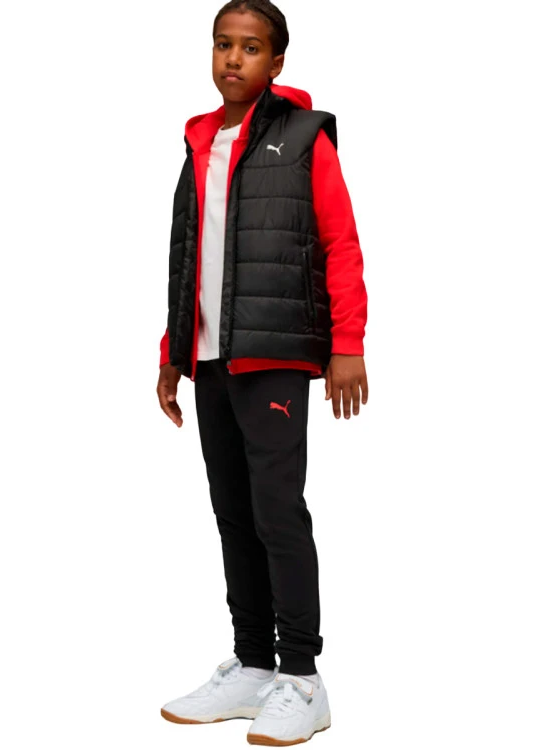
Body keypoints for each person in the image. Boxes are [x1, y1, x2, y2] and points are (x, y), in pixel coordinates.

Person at [155, 1, 368, 745]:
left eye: (250, 48)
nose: (233, 58)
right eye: (223, 44)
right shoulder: (199, 141)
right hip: (210, 355)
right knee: (232, 510)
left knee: (277, 510)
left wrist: (347, 343)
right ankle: (251, 664)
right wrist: (172, 353)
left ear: (276, 63)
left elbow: (339, 241)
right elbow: (190, 256)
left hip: (273, 352)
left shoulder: (304, 137)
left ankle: (302, 678)